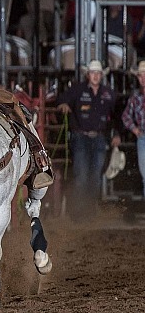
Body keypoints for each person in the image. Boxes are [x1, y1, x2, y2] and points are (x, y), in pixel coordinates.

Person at [57, 59, 121, 216]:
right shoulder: (78, 90)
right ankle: (80, 213)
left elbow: (117, 115)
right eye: (93, 73)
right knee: (81, 175)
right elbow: (61, 99)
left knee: (95, 177)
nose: (96, 76)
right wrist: (64, 104)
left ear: (101, 75)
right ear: (88, 75)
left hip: (99, 138)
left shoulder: (108, 93)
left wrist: (117, 133)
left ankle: (90, 212)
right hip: (81, 137)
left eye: (98, 73)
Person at [122, 60, 145, 197]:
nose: (143, 79)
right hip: (143, 138)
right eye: (141, 75)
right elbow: (126, 116)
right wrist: (135, 130)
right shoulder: (135, 97)